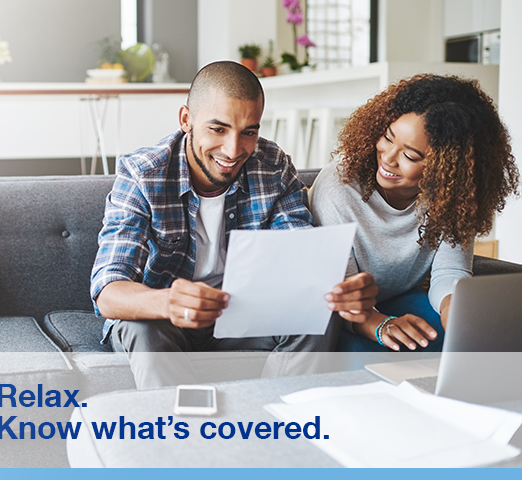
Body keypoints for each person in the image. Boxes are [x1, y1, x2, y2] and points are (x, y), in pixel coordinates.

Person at [90, 61, 377, 388]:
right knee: (141, 327)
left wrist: (338, 289)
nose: (233, 150)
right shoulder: (142, 174)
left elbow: (297, 253)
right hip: (164, 319)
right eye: (218, 128)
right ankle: (182, 435)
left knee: (319, 314)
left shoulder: (272, 166)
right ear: (187, 120)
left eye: (249, 132)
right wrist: (168, 301)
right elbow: (107, 290)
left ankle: (278, 423)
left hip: (240, 318)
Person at [309, 73, 519, 353]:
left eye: (410, 156)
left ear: (447, 167)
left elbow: (450, 271)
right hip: (344, 313)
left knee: (455, 344)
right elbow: (339, 293)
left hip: (401, 298)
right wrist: (380, 325)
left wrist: (454, 309)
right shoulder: (339, 186)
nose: (388, 158)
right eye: (387, 138)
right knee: (365, 360)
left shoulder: (452, 197)